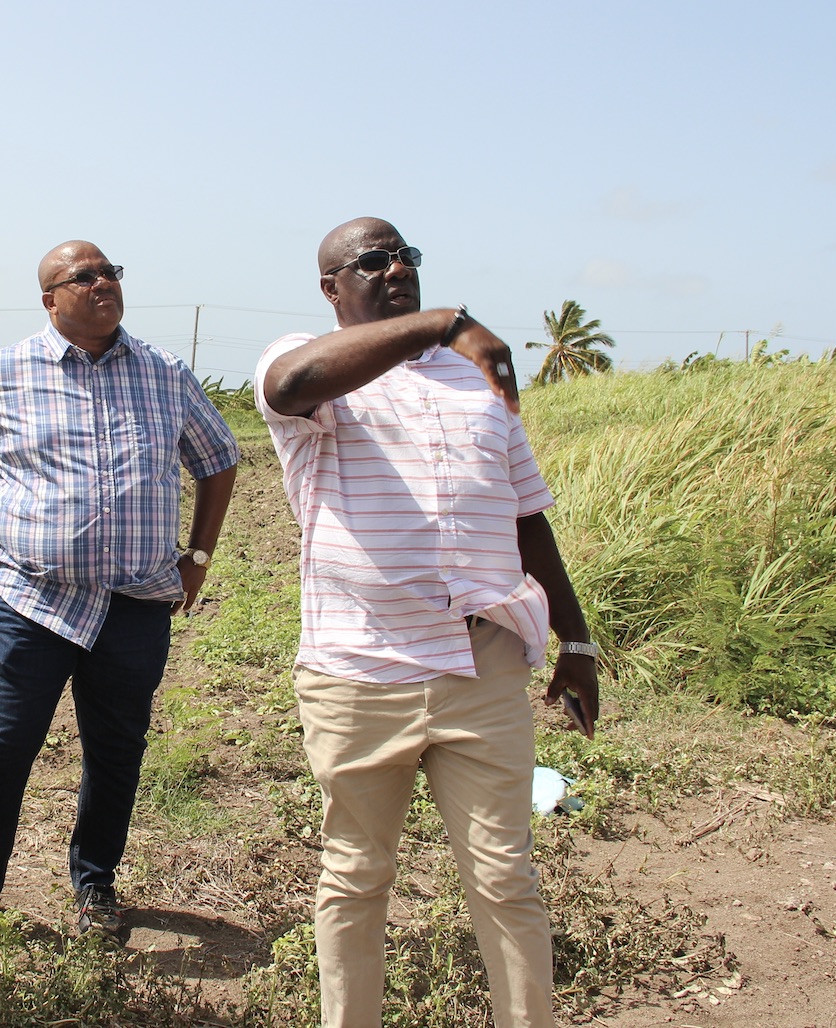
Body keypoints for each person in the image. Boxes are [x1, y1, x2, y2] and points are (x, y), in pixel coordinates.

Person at [255, 217, 601, 1028]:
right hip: (360, 671)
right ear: (331, 287)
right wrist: (444, 321)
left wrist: (575, 638)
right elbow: (287, 386)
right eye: (371, 261)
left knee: (506, 875)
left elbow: (527, 516)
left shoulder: (477, 379)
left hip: (483, 667)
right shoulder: (305, 362)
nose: (396, 269)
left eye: (406, 256)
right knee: (357, 875)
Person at [0, 240, 241, 950]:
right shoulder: (2, 372)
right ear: (50, 299)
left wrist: (200, 554)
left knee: (117, 749)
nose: (103, 284)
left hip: (134, 605)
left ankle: (95, 884)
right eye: (84, 276)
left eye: (111, 273)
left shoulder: (165, 372)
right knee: (2, 746)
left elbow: (217, 459)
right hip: (31, 601)